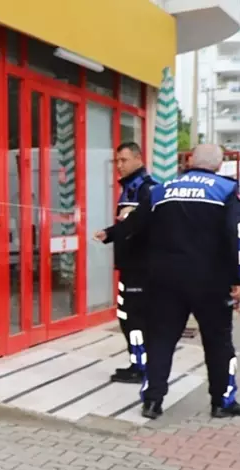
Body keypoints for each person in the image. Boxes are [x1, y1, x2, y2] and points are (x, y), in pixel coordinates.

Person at [105, 144, 240, 420]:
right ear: (218, 165)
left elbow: (135, 225)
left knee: (160, 341)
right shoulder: (225, 190)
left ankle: (152, 401)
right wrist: (238, 278)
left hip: (164, 281)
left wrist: (110, 234)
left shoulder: (162, 189)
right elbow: (236, 235)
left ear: (191, 161)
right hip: (211, 282)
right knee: (218, 343)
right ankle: (222, 402)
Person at [94, 142, 157, 384]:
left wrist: (132, 215)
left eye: (124, 160)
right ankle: (137, 363)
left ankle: (141, 367)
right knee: (127, 316)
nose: (119, 166)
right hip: (130, 266)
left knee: (134, 318)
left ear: (139, 159)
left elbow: (147, 224)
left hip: (141, 268)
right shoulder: (130, 188)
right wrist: (110, 233)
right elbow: (128, 225)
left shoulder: (147, 189)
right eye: (117, 161)